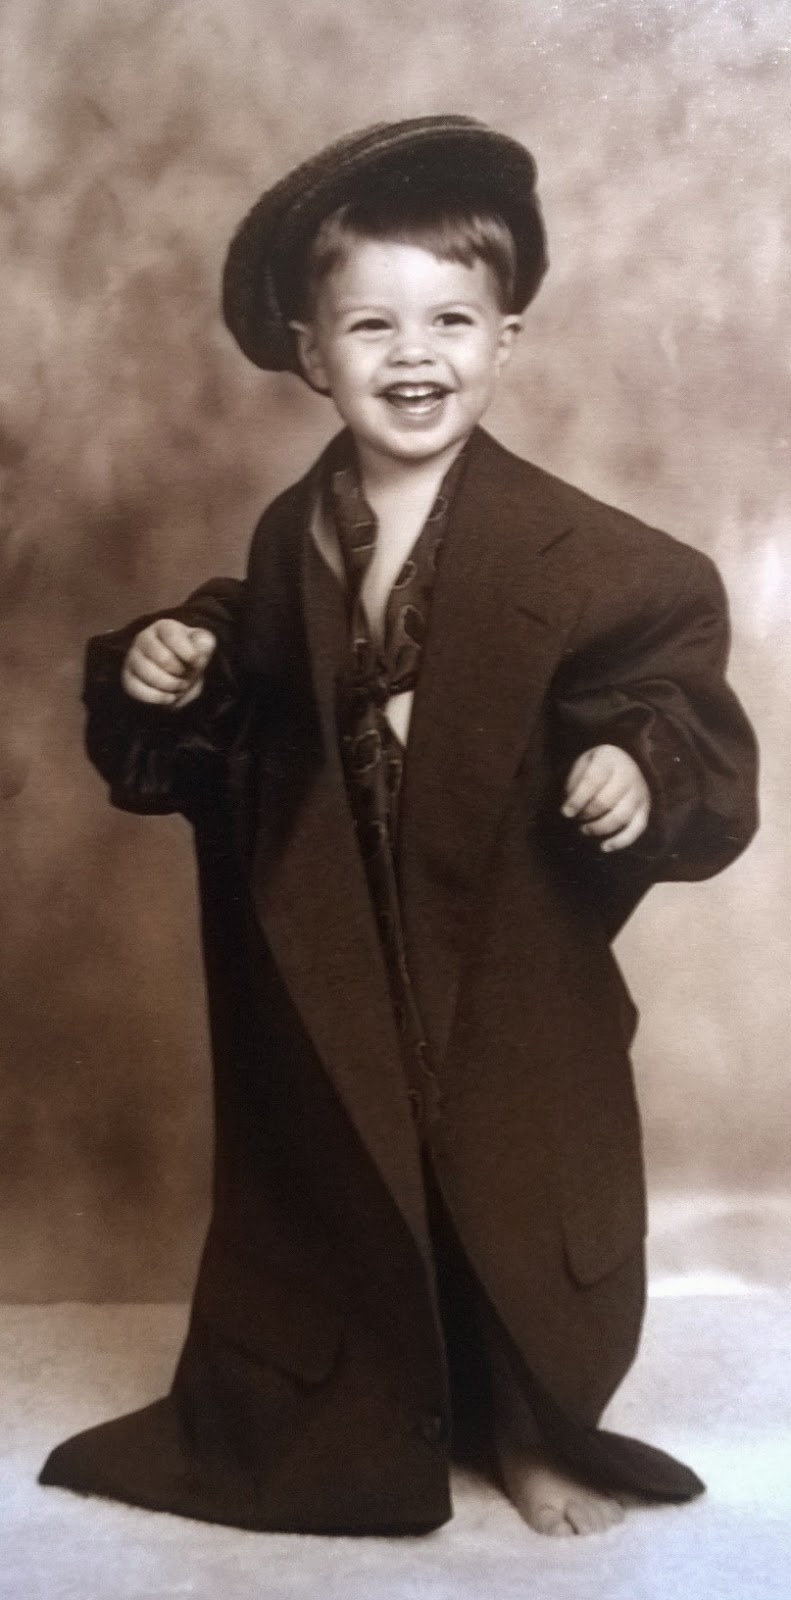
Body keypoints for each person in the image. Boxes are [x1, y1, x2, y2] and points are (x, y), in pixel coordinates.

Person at [40, 116, 758, 1538]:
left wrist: (635, 759)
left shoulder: (598, 559)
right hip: (338, 935)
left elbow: (673, 695)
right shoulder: (293, 530)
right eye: (372, 325)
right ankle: (371, 1406)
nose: (413, 355)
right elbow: (257, 655)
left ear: (508, 341)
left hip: (499, 944)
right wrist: (179, 651)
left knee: (510, 1177)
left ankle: (535, 1427)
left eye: (451, 321)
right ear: (312, 354)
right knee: (357, 1182)